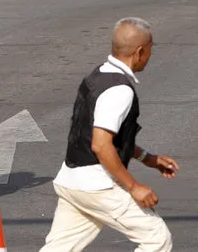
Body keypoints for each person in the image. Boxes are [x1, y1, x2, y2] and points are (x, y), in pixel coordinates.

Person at [40, 17, 179, 252]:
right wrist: (134, 186)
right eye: (150, 50)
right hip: (96, 186)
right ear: (139, 52)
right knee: (157, 239)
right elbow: (101, 145)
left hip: (72, 181)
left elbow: (104, 137)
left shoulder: (98, 76)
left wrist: (148, 158)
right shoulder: (119, 90)